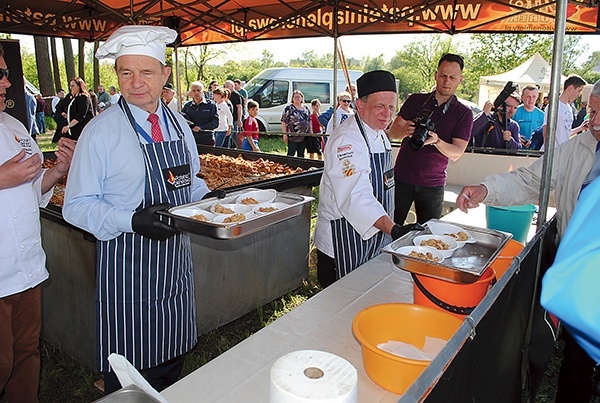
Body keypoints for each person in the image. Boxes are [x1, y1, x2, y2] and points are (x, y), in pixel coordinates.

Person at [63, 25, 219, 395]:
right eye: (125, 72)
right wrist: (131, 219)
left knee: (171, 364)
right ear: (115, 75)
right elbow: (76, 206)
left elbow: (189, 179)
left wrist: (212, 198)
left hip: (174, 266)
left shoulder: (178, 124)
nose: (135, 83)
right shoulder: (101, 132)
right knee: (131, 379)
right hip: (127, 272)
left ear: (165, 75)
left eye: (146, 72)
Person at [457, 79, 600, 403]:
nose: (593, 123)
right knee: (577, 359)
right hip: (579, 271)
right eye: (591, 112)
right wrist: (486, 189)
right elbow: (530, 179)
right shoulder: (576, 149)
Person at [0, 41, 76, 402]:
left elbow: (31, 191)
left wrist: (58, 170)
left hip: (27, 270)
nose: (6, 83)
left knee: (25, 357)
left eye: (5, 74)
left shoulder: (14, 124)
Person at [314, 70, 414, 288]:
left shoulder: (380, 136)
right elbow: (355, 197)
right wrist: (394, 229)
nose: (387, 114)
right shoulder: (346, 140)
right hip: (343, 241)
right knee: (339, 306)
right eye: (379, 106)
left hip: (376, 236)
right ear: (360, 106)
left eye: (391, 107)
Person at [389, 53, 473, 225]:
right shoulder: (415, 100)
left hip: (433, 185)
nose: (446, 81)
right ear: (436, 75)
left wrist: (437, 141)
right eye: (443, 75)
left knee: (429, 236)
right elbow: (392, 133)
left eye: (452, 77)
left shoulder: (463, 113)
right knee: (390, 228)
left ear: (460, 80)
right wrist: (406, 130)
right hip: (401, 178)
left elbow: (457, 153)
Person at [542, 75, 587, 149]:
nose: (579, 95)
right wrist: (548, 154)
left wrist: (580, 128)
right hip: (553, 152)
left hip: (563, 151)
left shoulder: (569, 107)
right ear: (571, 88)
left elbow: (565, 133)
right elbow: (546, 131)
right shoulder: (554, 106)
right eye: (579, 91)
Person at [181, 81, 219, 146]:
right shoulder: (187, 106)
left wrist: (201, 128)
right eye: (194, 90)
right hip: (191, 140)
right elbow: (182, 120)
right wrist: (191, 127)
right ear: (191, 92)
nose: (196, 93)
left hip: (207, 140)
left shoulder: (211, 105)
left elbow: (215, 122)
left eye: (198, 90)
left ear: (202, 92)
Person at [281, 89, 311, 158]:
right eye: (295, 97)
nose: (297, 98)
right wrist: (285, 134)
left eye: (298, 97)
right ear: (292, 98)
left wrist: (310, 131)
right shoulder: (288, 109)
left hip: (303, 136)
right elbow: (283, 122)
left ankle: (300, 168)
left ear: (302, 98)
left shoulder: (306, 108)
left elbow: (309, 120)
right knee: (291, 154)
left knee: (301, 154)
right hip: (292, 137)